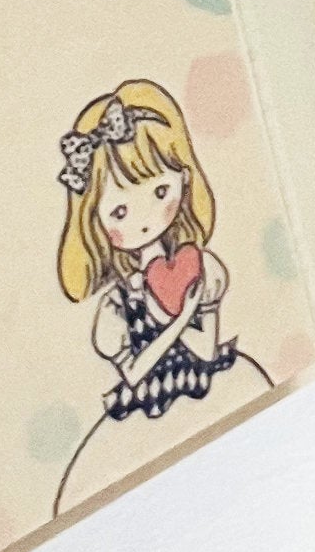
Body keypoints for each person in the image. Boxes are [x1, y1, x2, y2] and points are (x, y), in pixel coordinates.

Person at [50, 78, 265, 515]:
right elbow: (133, 374)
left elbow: (204, 352)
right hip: (143, 414)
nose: (145, 218)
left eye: (160, 192)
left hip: (209, 389)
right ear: (95, 223)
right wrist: (181, 316)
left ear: (184, 180)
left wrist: (186, 307)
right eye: (120, 211)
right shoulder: (115, 308)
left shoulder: (202, 267)